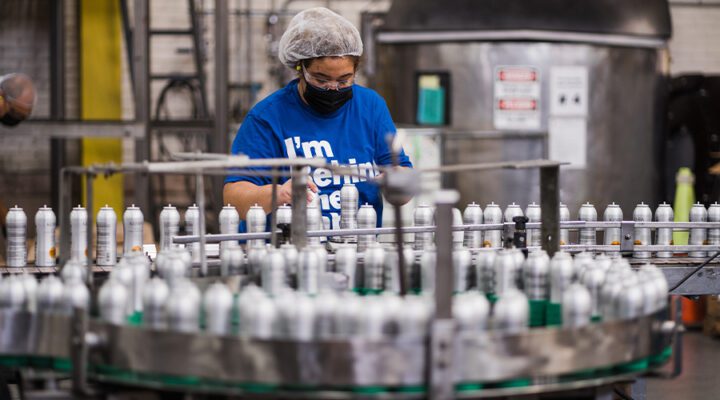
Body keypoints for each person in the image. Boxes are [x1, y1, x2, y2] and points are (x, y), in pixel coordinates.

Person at [223, 7, 413, 232]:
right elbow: (233, 198)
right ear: (300, 68)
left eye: (344, 80)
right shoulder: (268, 117)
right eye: (321, 79)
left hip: (357, 249)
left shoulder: (370, 107)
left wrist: (396, 183)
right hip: (286, 253)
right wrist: (278, 194)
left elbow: (403, 177)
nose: (333, 88)